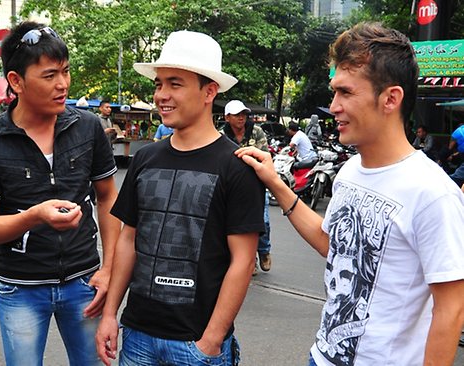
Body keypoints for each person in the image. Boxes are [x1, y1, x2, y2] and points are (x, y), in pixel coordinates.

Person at [236, 22, 464, 366]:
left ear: (391, 98)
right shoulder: (350, 171)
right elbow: (333, 244)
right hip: (323, 356)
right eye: (334, 92)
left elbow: (451, 309)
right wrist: (275, 182)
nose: (334, 105)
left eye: (346, 93)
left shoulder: (434, 194)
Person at [95, 30, 265, 366]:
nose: (161, 95)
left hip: (196, 343)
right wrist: (110, 314)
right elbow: (128, 239)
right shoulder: (145, 158)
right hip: (137, 336)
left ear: (209, 91)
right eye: (159, 84)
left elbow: (243, 261)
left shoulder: (237, 167)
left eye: (175, 83)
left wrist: (211, 340)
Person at [0, 22, 121, 365]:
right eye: (49, 75)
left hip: (84, 282)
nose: (62, 84)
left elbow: (108, 198)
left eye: (65, 71)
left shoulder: (88, 126)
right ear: (16, 81)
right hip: (20, 288)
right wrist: (34, 216)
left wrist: (108, 269)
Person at [222, 99, 272, 275]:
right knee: (237, 225)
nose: (241, 118)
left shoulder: (256, 132)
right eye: (237, 115)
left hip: (256, 182)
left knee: (262, 221)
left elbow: (264, 156)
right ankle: (248, 261)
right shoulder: (221, 135)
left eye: (243, 114)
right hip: (233, 185)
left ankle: (264, 251)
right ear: (227, 117)